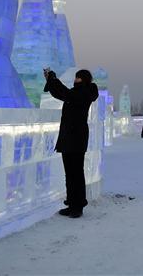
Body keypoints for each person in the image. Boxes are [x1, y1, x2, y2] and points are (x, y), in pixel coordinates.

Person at [43, 68, 99, 218]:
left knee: (76, 173)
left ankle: (78, 206)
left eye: (78, 78)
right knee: (69, 173)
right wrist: (50, 80)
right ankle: (72, 203)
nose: (76, 80)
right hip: (69, 137)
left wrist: (54, 80)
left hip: (77, 137)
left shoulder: (85, 93)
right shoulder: (77, 92)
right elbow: (61, 94)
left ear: (84, 80)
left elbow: (66, 94)